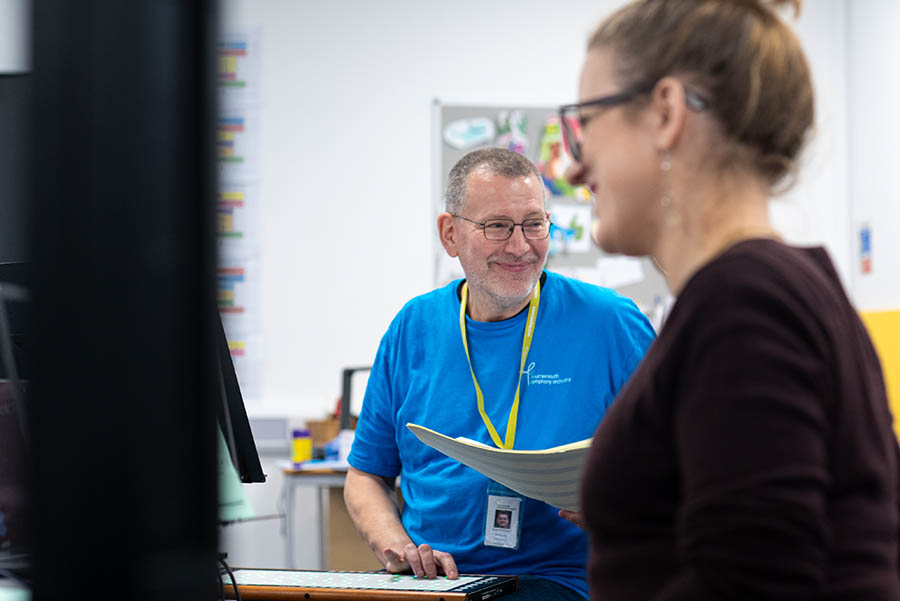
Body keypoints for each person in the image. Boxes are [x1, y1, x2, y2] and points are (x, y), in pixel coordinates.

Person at [559, 1, 900, 599]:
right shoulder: (774, 289)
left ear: (665, 112)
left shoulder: (746, 305)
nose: (571, 163)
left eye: (585, 121)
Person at [345, 147, 655, 600]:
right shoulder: (413, 328)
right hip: (437, 583)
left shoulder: (611, 323)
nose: (520, 246)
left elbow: (681, 463)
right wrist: (399, 549)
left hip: (561, 579)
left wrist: (626, 505)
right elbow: (366, 475)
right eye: (497, 226)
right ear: (450, 234)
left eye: (534, 223)